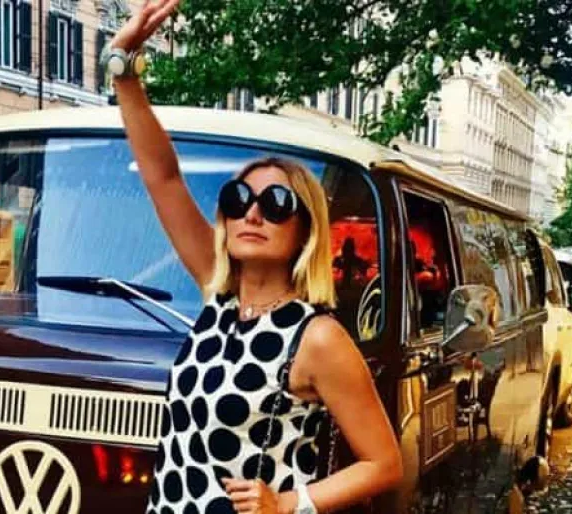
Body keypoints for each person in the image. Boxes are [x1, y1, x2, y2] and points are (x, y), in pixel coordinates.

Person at [108, 2, 403, 513]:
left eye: (276, 204)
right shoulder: (218, 300)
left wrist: (289, 504)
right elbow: (163, 177)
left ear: (305, 229)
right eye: (239, 199)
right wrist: (123, 69)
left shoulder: (316, 337)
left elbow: (384, 463)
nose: (252, 214)